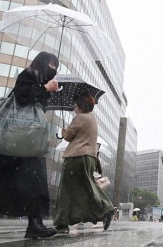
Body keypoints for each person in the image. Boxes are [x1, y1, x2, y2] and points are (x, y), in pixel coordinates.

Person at [0, 51, 59, 239]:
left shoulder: (43, 80)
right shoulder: (28, 74)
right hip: (9, 139)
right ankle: (35, 223)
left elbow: (36, 109)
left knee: (35, 182)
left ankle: (35, 223)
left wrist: (48, 91)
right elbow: (22, 96)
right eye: (51, 62)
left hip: (28, 142)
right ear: (42, 62)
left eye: (56, 64)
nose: (53, 66)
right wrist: (44, 88)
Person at [53, 93, 114, 234]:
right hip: (88, 157)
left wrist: (64, 132)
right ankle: (104, 209)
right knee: (86, 186)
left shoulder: (80, 117)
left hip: (76, 156)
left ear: (80, 106)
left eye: (75, 105)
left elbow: (68, 137)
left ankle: (62, 223)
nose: (74, 107)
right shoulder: (92, 118)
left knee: (66, 190)